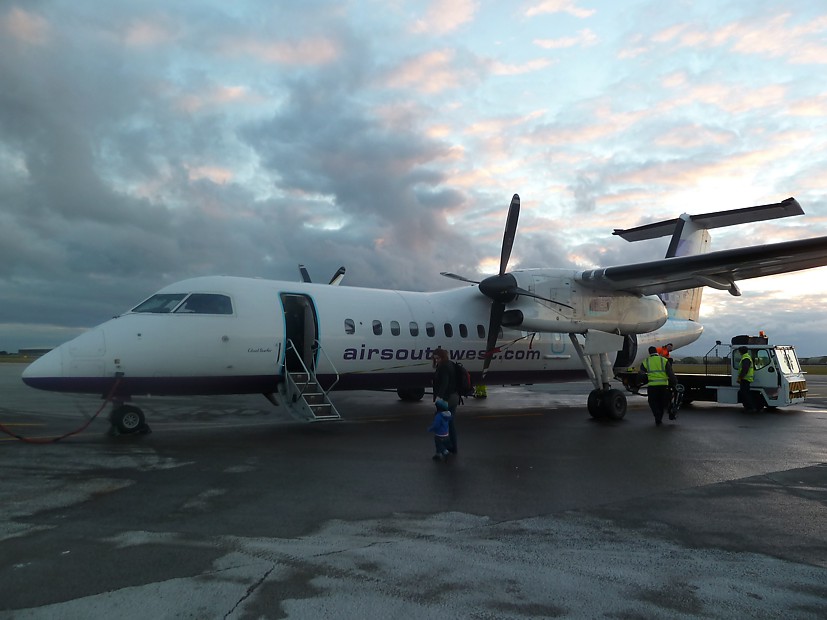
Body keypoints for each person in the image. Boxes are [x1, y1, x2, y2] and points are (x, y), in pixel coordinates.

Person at [639, 345, 677, 425]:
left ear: (649, 353)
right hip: (663, 385)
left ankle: (657, 416)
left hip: (652, 386)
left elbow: (641, 374)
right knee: (661, 403)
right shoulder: (664, 360)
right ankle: (659, 418)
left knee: (652, 402)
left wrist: (641, 381)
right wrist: (674, 383)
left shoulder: (646, 361)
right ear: (656, 351)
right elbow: (670, 373)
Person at [432, 347, 460, 453]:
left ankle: (441, 449)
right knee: (450, 423)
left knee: (440, 424)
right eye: (435, 359)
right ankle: (453, 447)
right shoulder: (451, 364)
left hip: (446, 399)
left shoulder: (443, 367)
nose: (436, 360)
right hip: (454, 397)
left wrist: (439, 398)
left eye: (438, 358)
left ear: (442, 357)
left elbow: (445, 383)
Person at [737, 346, 757, 412]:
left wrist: (740, 377)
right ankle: (749, 407)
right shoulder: (747, 357)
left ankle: (750, 407)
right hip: (746, 379)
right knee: (745, 393)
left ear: (741, 351)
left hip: (745, 379)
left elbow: (745, 369)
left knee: (745, 394)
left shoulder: (745, 358)